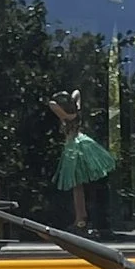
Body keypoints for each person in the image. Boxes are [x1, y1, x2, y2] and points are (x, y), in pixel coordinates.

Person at [46, 91, 117, 230]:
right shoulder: (76, 113)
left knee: (76, 184)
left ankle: (80, 218)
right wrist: (74, 102)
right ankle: (81, 216)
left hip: (74, 148)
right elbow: (77, 92)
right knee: (79, 183)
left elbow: (52, 104)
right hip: (83, 142)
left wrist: (63, 106)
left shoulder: (66, 117)